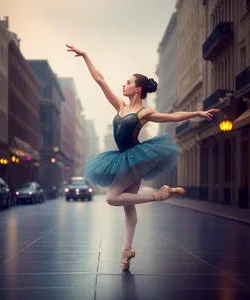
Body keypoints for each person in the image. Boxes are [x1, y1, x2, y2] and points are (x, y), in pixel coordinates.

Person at [66, 44, 220, 271]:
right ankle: (127, 250)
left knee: (111, 198)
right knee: (127, 206)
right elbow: (100, 80)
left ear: (138, 89)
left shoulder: (144, 113)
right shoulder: (120, 106)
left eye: (128, 82)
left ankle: (160, 195)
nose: (123, 85)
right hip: (122, 158)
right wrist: (86, 56)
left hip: (135, 158)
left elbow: (173, 116)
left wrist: (196, 112)